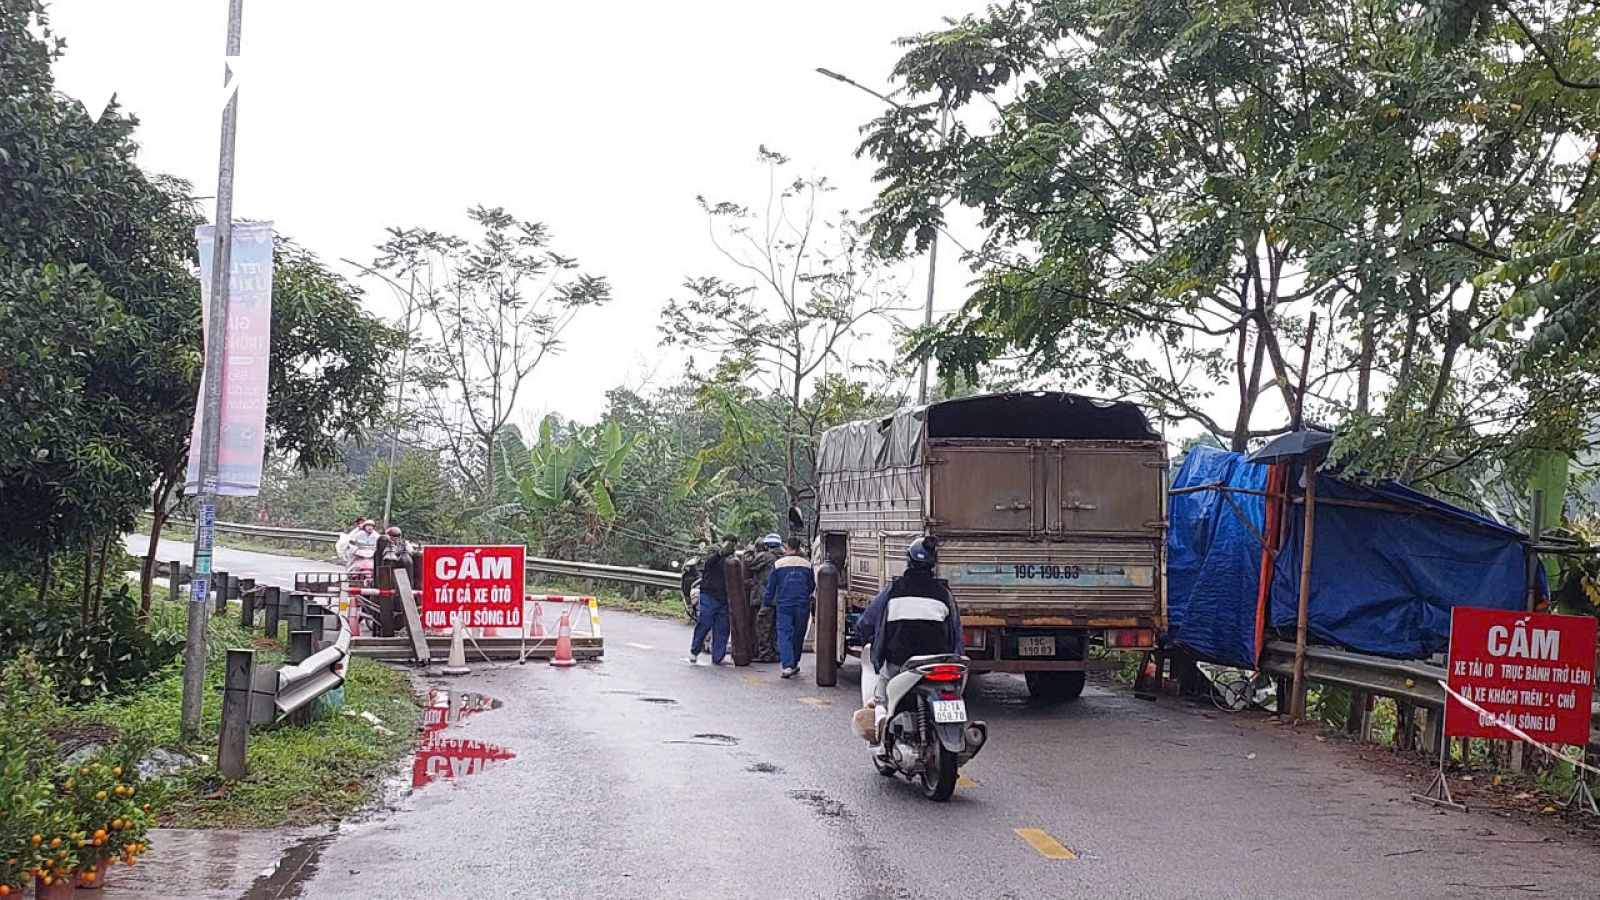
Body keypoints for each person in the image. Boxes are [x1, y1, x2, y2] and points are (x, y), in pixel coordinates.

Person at [853, 536, 963, 712]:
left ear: (909, 561)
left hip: (899, 662)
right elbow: (956, 632)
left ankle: (881, 725)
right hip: (936, 663)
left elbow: (867, 621)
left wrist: (861, 633)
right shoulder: (944, 594)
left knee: (880, 698)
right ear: (933, 565)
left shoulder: (894, 590)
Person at [763, 539, 816, 678]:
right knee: (798, 634)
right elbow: (812, 585)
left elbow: (771, 587)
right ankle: (794, 662)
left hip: (784, 604)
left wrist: (766, 603)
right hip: (802, 604)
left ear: (786, 547)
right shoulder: (807, 564)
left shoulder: (778, 564)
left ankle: (787, 665)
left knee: (784, 634)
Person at [688, 536, 738, 666]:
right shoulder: (713, 551)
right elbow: (707, 563)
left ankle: (718, 657)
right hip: (709, 594)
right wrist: (720, 553)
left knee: (722, 628)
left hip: (724, 598)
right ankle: (694, 650)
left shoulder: (733, 558)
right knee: (705, 622)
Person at [748, 533, 783, 663]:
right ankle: (775, 653)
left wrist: (750, 550)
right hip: (778, 597)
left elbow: (749, 564)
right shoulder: (783, 557)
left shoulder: (765, 557)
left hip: (765, 596)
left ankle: (765, 654)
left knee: (763, 627)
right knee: (774, 628)